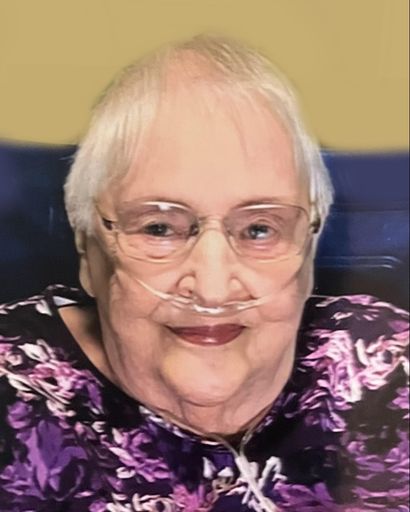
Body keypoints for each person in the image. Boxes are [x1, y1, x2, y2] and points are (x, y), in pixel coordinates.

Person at [0, 35, 408, 512]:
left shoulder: (382, 361)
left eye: (259, 229)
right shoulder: (15, 402)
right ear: (88, 250)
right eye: (159, 228)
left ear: (308, 248)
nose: (212, 291)